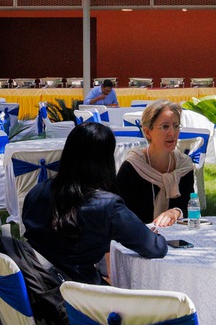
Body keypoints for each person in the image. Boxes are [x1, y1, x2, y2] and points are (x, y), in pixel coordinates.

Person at [21, 119, 169, 283]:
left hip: (36, 285)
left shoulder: (37, 191)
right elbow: (155, 248)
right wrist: (153, 236)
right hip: (80, 297)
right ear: (106, 160)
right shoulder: (107, 206)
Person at [114, 99, 194, 226]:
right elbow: (119, 213)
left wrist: (176, 212)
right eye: (165, 126)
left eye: (176, 126)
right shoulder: (132, 168)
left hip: (177, 237)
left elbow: (190, 208)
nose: (172, 133)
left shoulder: (183, 167)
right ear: (148, 132)